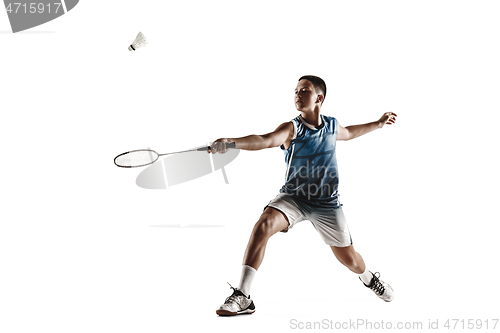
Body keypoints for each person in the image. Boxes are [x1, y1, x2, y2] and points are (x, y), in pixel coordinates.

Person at [209, 75, 397, 316]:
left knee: (351, 260)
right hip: (294, 198)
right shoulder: (292, 128)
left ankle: (369, 278)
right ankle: (243, 296)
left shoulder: (331, 126)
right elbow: (265, 140)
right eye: (296, 91)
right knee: (263, 224)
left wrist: (379, 123)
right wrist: (231, 142)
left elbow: (349, 132)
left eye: (304, 90)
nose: (297, 94)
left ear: (319, 98)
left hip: (327, 204)